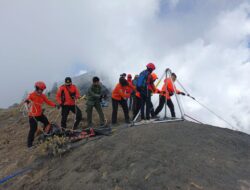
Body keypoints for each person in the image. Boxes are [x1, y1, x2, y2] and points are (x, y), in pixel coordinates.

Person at [25, 81, 57, 148]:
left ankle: (45, 135)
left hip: (40, 114)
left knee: (47, 123)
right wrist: (27, 103)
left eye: (42, 90)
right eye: (41, 89)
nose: (42, 91)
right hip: (32, 116)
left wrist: (55, 105)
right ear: (37, 88)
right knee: (33, 129)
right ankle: (29, 145)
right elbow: (26, 102)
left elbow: (48, 102)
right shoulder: (31, 95)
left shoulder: (42, 96)